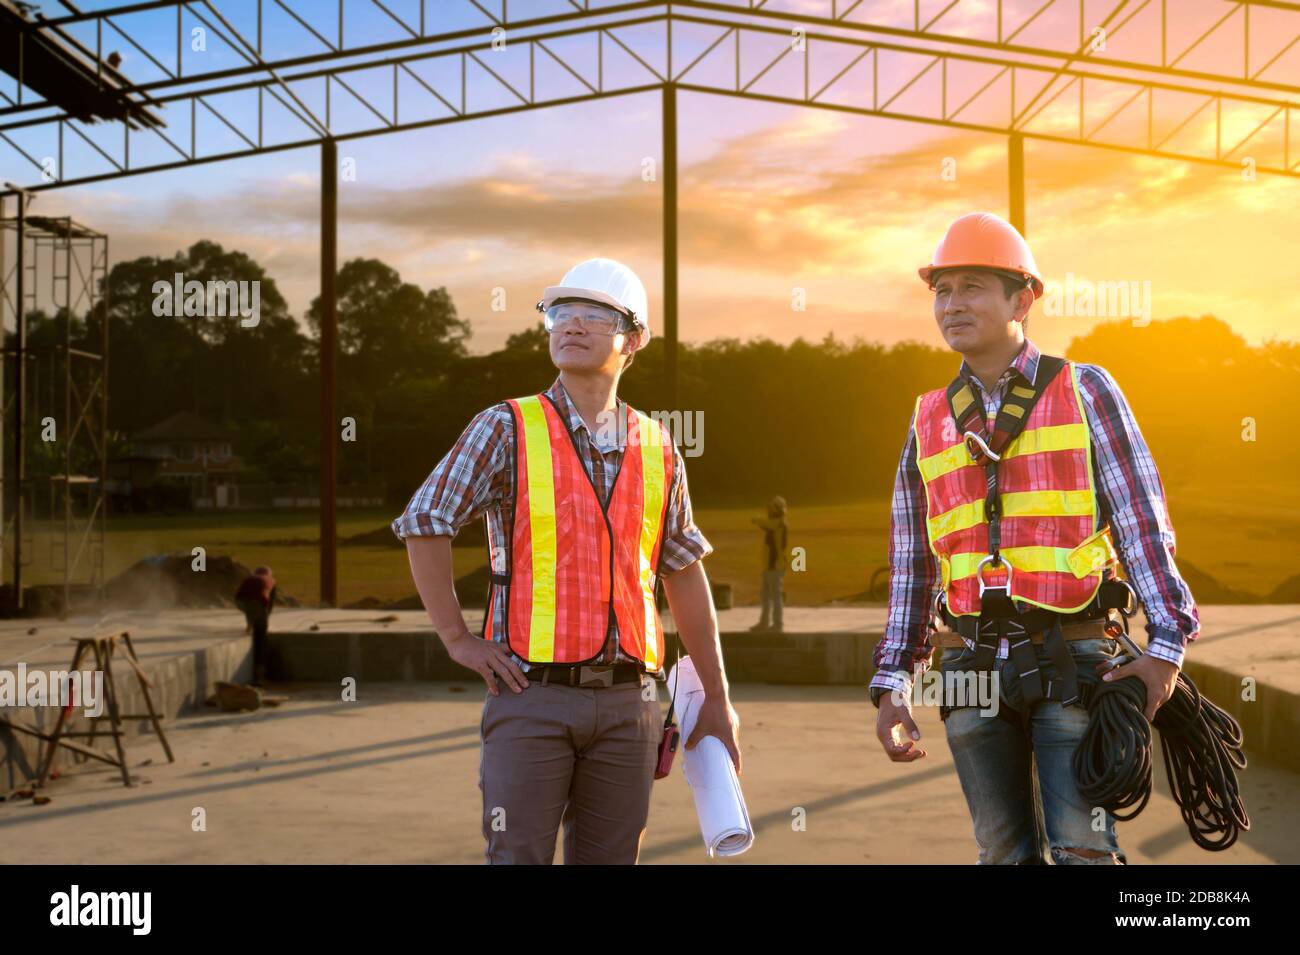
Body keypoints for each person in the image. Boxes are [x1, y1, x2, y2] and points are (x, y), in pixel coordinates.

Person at [869, 212, 1199, 864]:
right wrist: (891, 683)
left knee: (1082, 849)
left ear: (1023, 298)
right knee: (1000, 852)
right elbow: (912, 565)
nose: (952, 304)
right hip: (968, 667)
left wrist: (1167, 646)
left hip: (1074, 654)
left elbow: (1141, 520)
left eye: (972, 287)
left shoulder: (1086, 390)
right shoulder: (928, 419)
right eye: (942, 290)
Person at [393, 257, 740, 865]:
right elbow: (426, 519)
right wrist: (457, 638)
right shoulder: (506, 427)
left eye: (594, 315)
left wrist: (716, 695)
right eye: (561, 313)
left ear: (633, 339)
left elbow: (683, 571)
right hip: (531, 694)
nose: (571, 325)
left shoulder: (659, 447)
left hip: (631, 702)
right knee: (518, 855)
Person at [749, 495, 788, 632]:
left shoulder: (779, 523)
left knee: (776, 597)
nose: (769, 510)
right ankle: (764, 623)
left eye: (772, 508)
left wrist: (757, 520)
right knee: (765, 597)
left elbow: (767, 524)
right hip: (768, 567)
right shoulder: (775, 522)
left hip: (775, 566)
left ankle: (778, 624)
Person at [234, 565, 277, 685]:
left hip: (240, 601)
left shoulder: (250, 578)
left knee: (252, 609)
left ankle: (250, 625)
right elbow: (270, 603)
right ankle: (260, 674)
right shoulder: (271, 580)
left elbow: (242, 595)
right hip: (257, 602)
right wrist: (265, 618)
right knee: (261, 636)